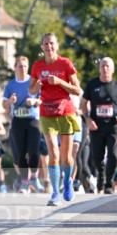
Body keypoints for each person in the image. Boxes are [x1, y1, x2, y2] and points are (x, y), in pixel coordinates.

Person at [29, 33, 82, 206]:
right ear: (41, 46)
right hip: (46, 112)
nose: (48, 47)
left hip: (66, 112)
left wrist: (59, 81)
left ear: (56, 46)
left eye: (51, 43)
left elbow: (77, 90)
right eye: (45, 44)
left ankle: (67, 183)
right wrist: (37, 85)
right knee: (53, 152)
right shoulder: (37, 66)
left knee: (66, 157)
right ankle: (55, 192)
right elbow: (31, 90)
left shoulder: (65, 63)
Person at [80, 57, 117, 195]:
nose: (105, 68)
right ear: (99, 68)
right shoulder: (92, 85)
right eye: (102, 66)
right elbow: (83, 104)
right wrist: (88, 119)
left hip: (113, 127)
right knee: (97, 157)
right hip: (96, 127)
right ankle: (100, 181)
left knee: (114, 156)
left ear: (112, 69)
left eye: (108, 66)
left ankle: (108, 184)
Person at [2, 55, 42, 193]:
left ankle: (35, 177)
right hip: (17, 120)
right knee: (20, 154)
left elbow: (41, 99)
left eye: (25, 66)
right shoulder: (10, 85)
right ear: (15, 68)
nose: (23, 69)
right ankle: (25, 182)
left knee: (34, 152)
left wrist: (34, 102)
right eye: (20, 66)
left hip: (33, 120)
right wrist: (10, 101)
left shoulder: (34, 81)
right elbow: (4, 104)